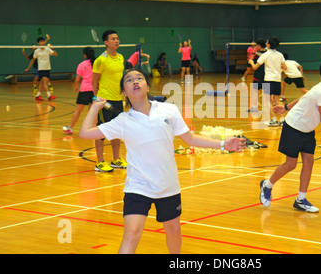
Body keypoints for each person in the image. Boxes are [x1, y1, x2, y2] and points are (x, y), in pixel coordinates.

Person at [79, 68, 246, 254]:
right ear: (124, 92)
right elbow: (85, 133)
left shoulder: (168, 110)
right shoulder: (122, 121)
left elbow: (190, 139)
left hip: (167, 185)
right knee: (132, 233)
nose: (135, 81)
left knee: (174, 231)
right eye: (129, 80)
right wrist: (94, 108)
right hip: (138, 186)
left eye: (139, 78)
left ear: (147, 85)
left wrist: (223, 144)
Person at [259, 59, 321, 213]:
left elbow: (303, 98)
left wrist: (285, 107)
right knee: (290, 164)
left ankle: (300, 200)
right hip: (294, 127)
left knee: (308, 163)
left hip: (307, 130)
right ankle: (267, 185)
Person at [91, 29, 128, 172]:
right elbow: (94, 81)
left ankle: (116, 159)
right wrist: (97, 99)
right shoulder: (101, 60)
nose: (116, 41)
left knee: (117, 130)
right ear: (106, 42)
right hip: (104, 100)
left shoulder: (120, 57)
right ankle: (99, 162)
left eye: (117, 38)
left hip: (118, 99)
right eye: (113, 39)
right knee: (101, 130)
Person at [249, 36, 286, 126]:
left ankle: (273, 119)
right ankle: (282, 119)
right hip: (277, 80)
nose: (266, 43)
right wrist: (277, 69)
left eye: (267, 42)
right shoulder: (280, 55)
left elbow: (255, 67)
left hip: (268, 80)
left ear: (269, 45)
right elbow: (285, 68)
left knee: (267, 101)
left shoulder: (265, 55)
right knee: (277, 101)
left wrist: (251, 62)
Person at [63, 47, 96, 135]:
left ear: (85, 55)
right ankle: (93, 128)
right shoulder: (97, 64)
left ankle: (70, 128)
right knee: (92, 111)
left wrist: (76, 86)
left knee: (78, 110)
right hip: (95, 90)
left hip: (84, 90)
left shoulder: (82, 64)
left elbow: (77, 79)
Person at [24, 36, 57, 101]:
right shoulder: (37, 51)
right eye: (40, 42)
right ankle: (49, 95)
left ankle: (38, 95)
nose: (42, 42)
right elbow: (33, 60)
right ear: (38, 43)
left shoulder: (47, 49)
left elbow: (55, 54)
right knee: (45, 81)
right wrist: (28, 68)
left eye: (43, 41)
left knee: (42, 82)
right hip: (41, 68)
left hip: (47, 68)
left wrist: (52, 48)